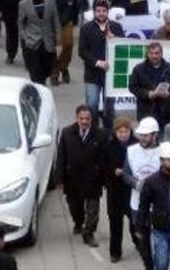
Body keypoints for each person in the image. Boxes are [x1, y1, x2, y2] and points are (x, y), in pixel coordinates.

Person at [58, 105, 108, 248]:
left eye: (87, 119)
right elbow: (61, 156)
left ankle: (89, 233)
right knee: (75, 207)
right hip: (73, 179)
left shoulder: (101, 134)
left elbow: (104, 157)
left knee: (93, 210)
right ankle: (79, 222)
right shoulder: (67, 133)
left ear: (92, 119)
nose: (84, 122)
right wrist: (59, 178)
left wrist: (103, 176)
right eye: (81, 119)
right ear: (77, 118)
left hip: (93, 179)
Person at [138, 142, 170, 270]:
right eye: (169, 160)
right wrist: (140, 227)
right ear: (161, 161)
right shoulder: (151, 181)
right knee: (161, 263)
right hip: (160, 230)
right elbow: (143, 205)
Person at [79, 0, 125, 128]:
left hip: (110, 73)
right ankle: (93, 129)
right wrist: (98, 62)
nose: (101, 13)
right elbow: (82, 51)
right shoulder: (86, 28)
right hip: (92, 73)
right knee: (92, 104)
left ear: (107, 12)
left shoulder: (116, 27)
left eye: (104, 11)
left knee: (109, 106)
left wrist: (114, 39)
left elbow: (123, 47)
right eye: (98, 11)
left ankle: (108, 132)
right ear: (94, 12)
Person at [123, 117, 161, 270]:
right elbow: (125, 173)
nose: (143, 138)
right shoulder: (131, 151)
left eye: (146, 135)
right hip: (137, 204)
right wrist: (135, 183)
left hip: (158, 205)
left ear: (155, 135)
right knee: (143, 241)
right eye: (141, 135)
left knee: (159, 240)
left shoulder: (164, 151)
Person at [41, 0, 78, 85]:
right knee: (51, 46)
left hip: (66, 13)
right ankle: (55, 72)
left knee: (68, 44)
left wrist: (71, 2)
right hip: (50, 15)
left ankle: (63, 66)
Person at [105, 117, 139, 263]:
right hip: (115, 190)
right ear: (115, 132)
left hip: (131, 190)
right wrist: (113, 171)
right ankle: (115, 252)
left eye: (126, 131)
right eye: (121, 132)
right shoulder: (109, 145)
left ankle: (138, 243)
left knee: (135, 221)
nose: (124, 134)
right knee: (115, 223)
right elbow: (103, 166)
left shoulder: (136, 144)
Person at [18, 0, 61, 84]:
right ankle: (40, 87)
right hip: (32, 42)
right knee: (35, 71)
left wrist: (58, 39)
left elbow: (55, 20)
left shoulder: (51, 0)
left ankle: (41, 84)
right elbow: (20, 22)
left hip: (47, 41)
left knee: (46, 69)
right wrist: (24, 37)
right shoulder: (23, 4)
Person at [129, 42, 170, 122]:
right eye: (151, 53)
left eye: (156, 53)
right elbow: (132, 87)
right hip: (146, 112)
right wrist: (147, 94)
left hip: (167, 113)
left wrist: (169, 94)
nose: (154, 56)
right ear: (147, 54)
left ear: (161, 54)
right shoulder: (138, 69)